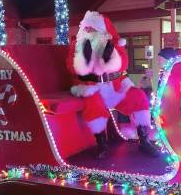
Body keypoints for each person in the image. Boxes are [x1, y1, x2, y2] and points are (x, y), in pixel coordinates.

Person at [68, 11, 160, 158]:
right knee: (94, 104)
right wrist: (84, 59)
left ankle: (144, 140)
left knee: (139, 97)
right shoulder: (77, 45)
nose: (90, 31)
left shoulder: (114, 44)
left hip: (115, 88)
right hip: (93, 87)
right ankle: (101, 143)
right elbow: (71, 67)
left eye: (94, 29)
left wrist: (110, 58)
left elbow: (124, 63)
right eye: (87, 28)